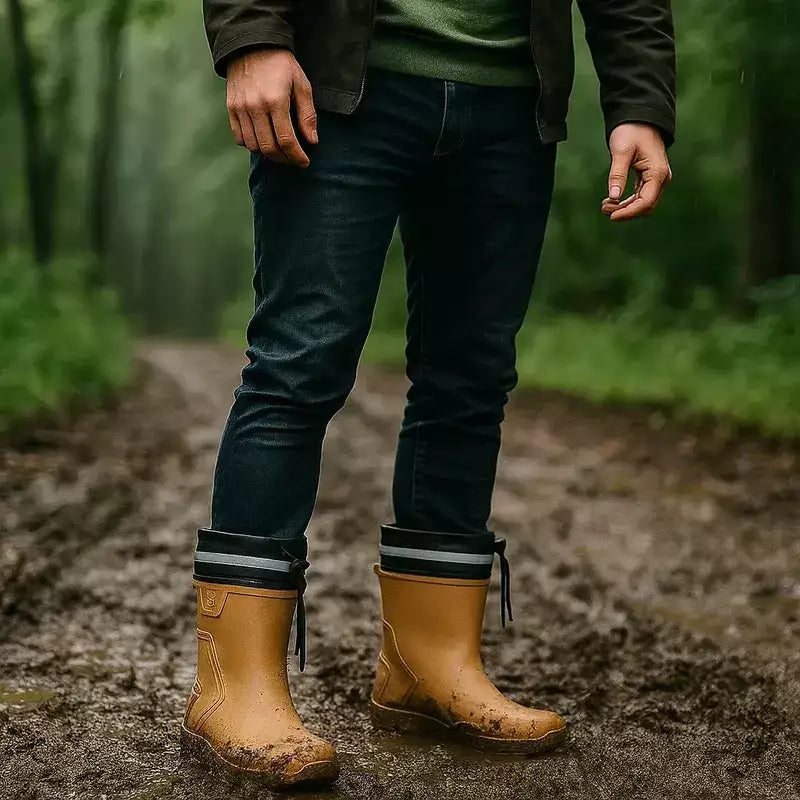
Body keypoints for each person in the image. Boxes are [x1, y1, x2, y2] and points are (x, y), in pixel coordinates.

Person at [181, 0, 675, 788]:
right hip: (342, 83)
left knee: (471, 378)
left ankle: (428, 663)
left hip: (513, 104)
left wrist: (642, 101)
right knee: (297, 366)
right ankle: (232, 685)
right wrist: (252, 38)